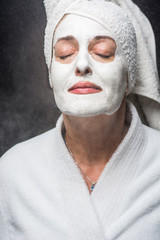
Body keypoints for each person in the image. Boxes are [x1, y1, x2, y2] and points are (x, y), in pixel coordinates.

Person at [0, 0, 160, 239]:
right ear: (51, 75)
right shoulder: (12, 172)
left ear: (129, 78)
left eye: (102, 52)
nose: (82, 65)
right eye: (65, 54)